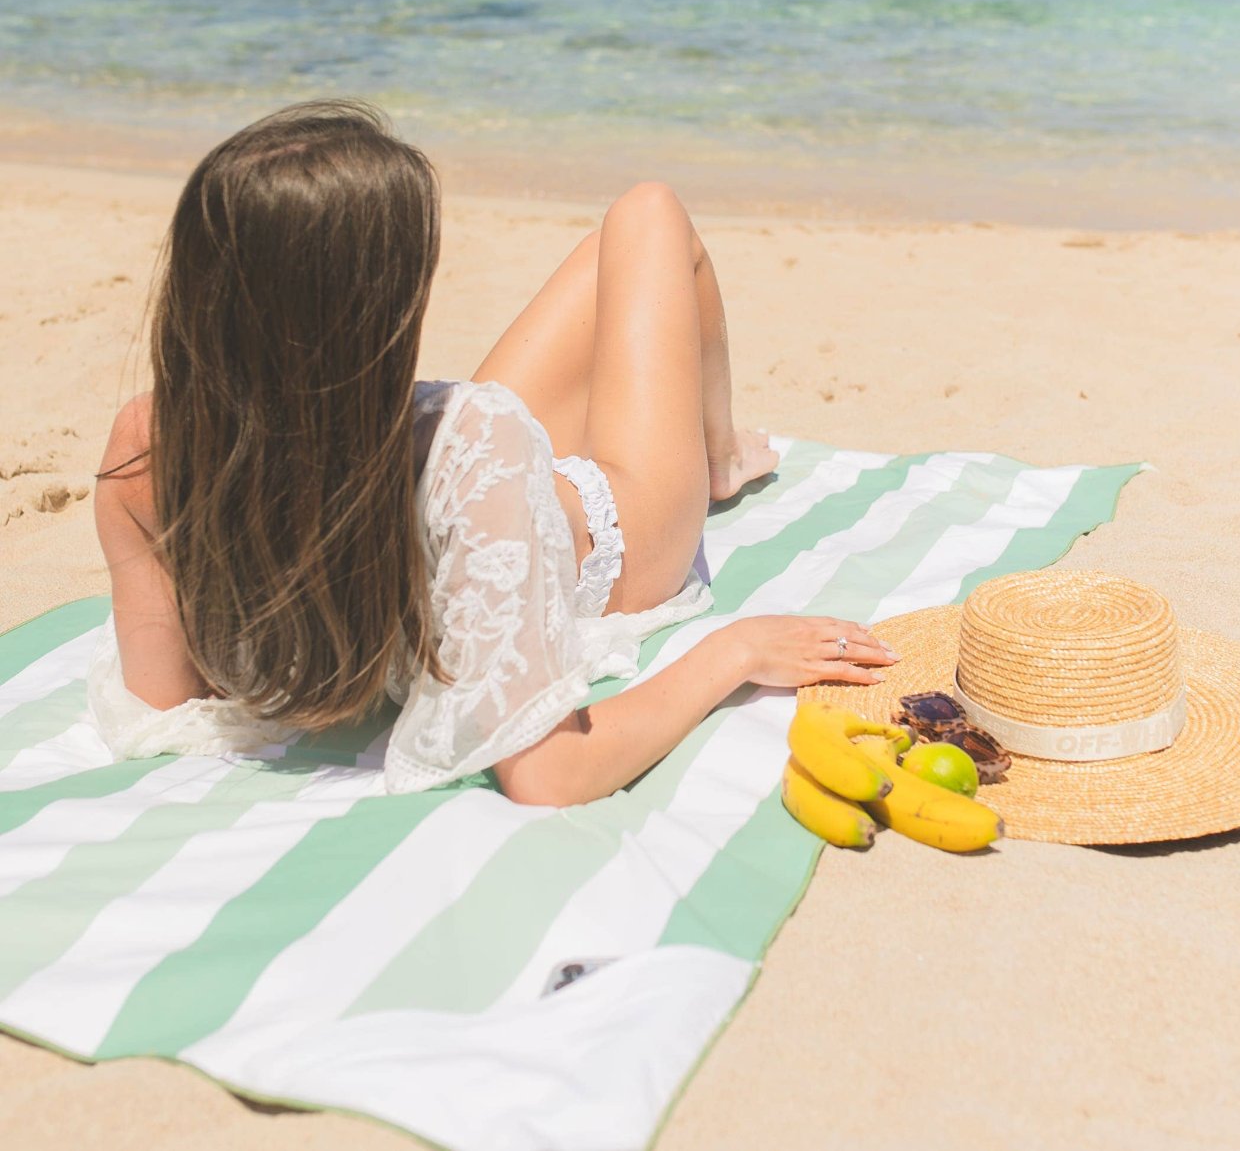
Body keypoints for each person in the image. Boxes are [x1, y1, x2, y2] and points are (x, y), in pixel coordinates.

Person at [92, 100, 899, 807]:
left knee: (617, 248)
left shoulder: (145, 449)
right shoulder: (473, 441)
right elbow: (550, 774)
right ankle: (715, 456)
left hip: (402, 464)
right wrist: (737, 650)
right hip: (616, 539)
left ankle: (718, 450)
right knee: (650, 215)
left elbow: (164, 701)